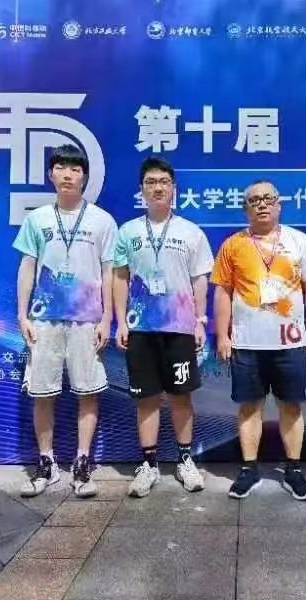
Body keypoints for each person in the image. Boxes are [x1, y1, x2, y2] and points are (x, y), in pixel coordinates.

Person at [15, 144, 117, 499]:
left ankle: (82, 461)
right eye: (61, 168)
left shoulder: (102, 220)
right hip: (43, 320)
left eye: (75, 169)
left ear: (84, 176)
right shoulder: (38, 219)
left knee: (88, 392)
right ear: (51, 174)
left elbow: (109, 272)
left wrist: (107, 318)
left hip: (87, 320)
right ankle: (46, 463)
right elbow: (27, 266)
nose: (68, 174)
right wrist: (22, 314)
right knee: (42, 393)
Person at [211, 180, 306, 501]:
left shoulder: (299, 241)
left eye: (268, 199)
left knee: (291, 406)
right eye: (254, 200)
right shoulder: (232, 245)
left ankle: (294, 470)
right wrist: (223, 335)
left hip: (290, 343)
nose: (261, 204)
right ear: (245, 208)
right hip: (247, 343)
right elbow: (223, 292)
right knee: (250, 407)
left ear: (279, 204)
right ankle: (249, 469)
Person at [113, 156, 213, 498]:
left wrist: (200, 320)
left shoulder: (190, 232)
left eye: (164, 182)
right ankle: (149, 464)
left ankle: (185, 460)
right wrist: (120, 321)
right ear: (141, 189)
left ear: (174, 189)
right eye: (151, 182)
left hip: (179, 329)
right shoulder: (128, 232)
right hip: (140, 329)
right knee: (146, 398)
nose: (157, 187)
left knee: (181, 396)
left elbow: (200, 279)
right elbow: (120, 277)